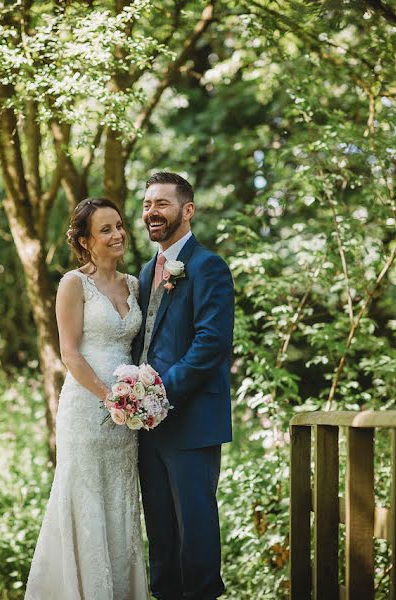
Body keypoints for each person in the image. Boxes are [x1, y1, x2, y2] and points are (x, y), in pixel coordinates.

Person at [25, 198, 149, 600]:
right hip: (86, 408)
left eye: (119, 226)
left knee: (120, 503)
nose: (118, 235)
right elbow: (70, 353)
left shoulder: (134, 285)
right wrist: (110, 396)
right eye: (106, 230)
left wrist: (136, 397)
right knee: (85, 500)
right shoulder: (73, 284)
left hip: (125, 418)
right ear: (85, 241)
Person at [133, 172, 235, 600]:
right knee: (159, 534)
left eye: (162, 204)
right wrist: (133, 400)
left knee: (195, 533)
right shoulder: (144, 271)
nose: (151, 212)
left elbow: (210, 344)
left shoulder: (208, 266)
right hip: (146, 427)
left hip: (191, 424)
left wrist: (157, 394)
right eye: (146, 204)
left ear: (187, 210)